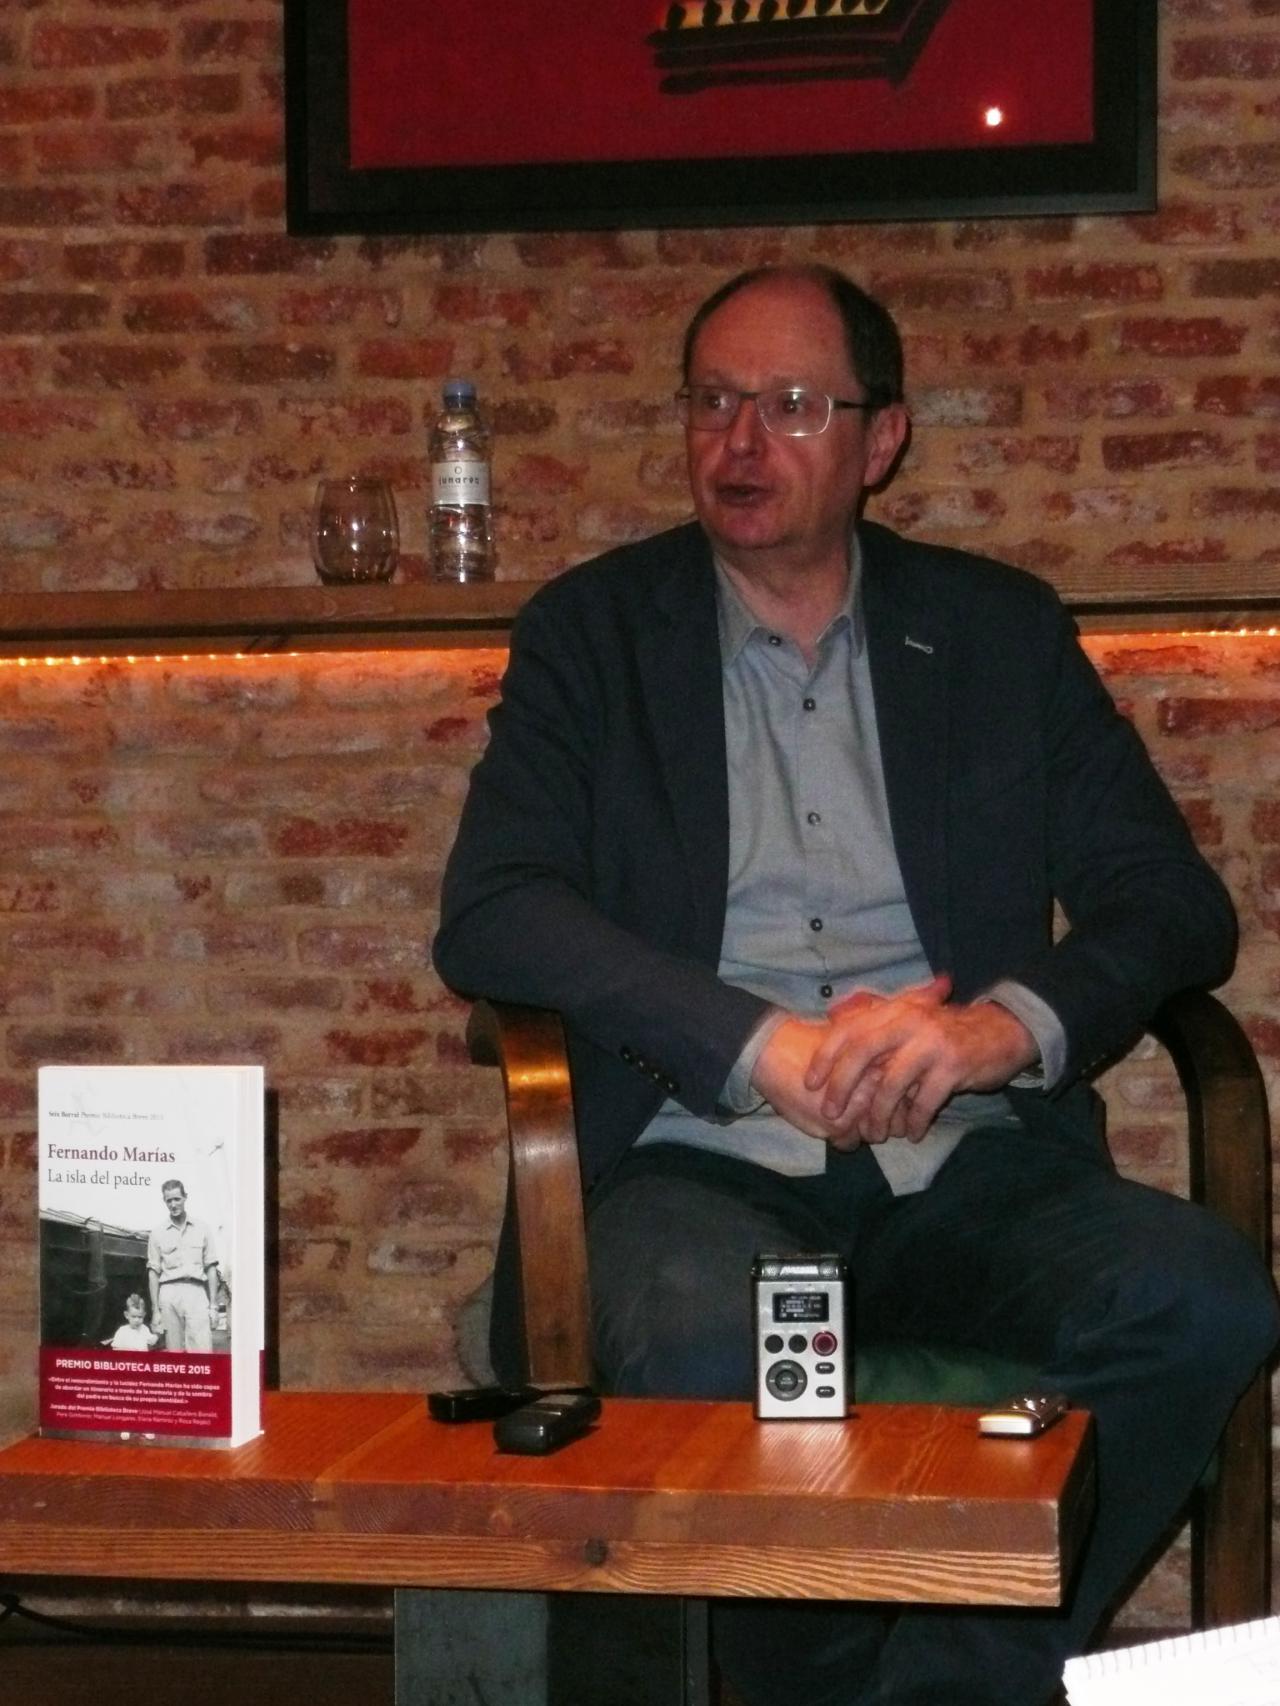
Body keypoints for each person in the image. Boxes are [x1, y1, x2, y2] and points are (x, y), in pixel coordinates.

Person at [433, 264, 1279, 1706]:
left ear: (880, 438)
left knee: (1202, 1297)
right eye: (712, 401)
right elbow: (494, 907)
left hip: (971, 1163)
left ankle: (952, 1687)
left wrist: (996, 1029)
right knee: (710, 1331)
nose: (738, 442)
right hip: (698, 1163)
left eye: (789, 405)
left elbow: (1170, 903)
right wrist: (748, 1039)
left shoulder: (998, 631)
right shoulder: (596, 633)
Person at [146, 1177, 219, 1352]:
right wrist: (155, 1310)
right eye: (169, 1200)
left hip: (196, 1291)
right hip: (169, 1293)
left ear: (185, 1197)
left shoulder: (202, 1229)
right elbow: (153, 1273)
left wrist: (214, 1306)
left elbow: (211, 1268)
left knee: (202, 1349)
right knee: (174, 1352)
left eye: (177, 1199)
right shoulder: (157, 1233)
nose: (173, 1204)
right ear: (164, 1201)